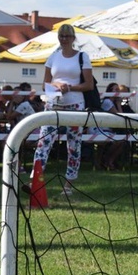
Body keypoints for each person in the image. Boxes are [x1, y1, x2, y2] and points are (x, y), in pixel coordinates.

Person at [31, 23, 94, 195]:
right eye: (61, 36)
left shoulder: (82, 56)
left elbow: (89, 85)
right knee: (43, 142)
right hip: (53, 103)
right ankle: (35, 180)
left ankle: (69, 184)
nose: (64, 39)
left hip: (75, 105)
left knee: (73, 145)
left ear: (73, 38)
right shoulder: (53, 56)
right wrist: (56, 84)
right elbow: (45, 84)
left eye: (67, 36)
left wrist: (70, 88)